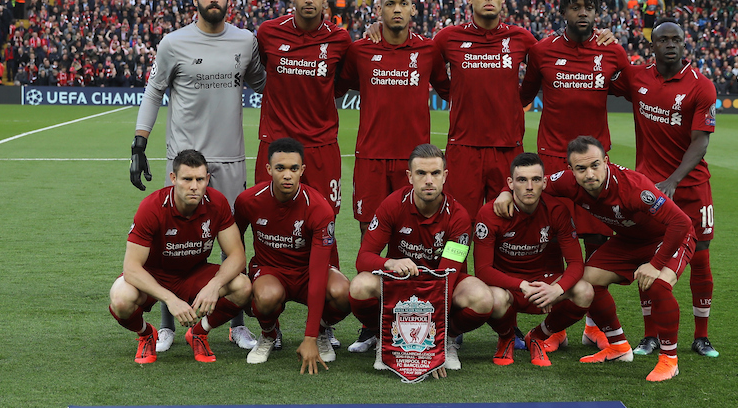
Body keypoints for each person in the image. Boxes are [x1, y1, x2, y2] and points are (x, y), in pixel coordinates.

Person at [130, 0, 266, 354]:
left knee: (231, 243)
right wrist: (140, 142)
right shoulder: (173, 43)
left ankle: (235, 325)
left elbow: (266, 83)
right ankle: (169, 322)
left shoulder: (245, 41)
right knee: (173, 243)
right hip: (185, 159)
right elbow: (154, 91)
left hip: (230, 157)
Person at [494, 136, 694, 381]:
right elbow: (535, 184)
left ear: (606, 162)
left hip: (670, 236)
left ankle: (669, 360)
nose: (589, 174)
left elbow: (681, 222)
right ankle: (619, 346)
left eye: (595, 165)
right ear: (571, 170)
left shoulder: (634, 187)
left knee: (659, 284)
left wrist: (655, 264)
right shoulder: (568, 182)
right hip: (630, 240)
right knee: (587, 281)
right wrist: (506, 192)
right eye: (581, 168)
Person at [335, 0, 451, 354]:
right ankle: (372, 326)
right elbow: (336, 85)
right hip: (370, 159)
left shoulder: (429, 49)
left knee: (419, 235)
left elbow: (450, 88)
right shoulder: (360, 50)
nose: (397, 9)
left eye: (404, 3)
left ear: (414, 9)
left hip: (415, 164)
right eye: (390, 4)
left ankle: (427, 315)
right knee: (374, 238)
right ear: (378, 10)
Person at [519, 0, 631, 356]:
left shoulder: (611, 51)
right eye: (576, 7)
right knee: (553, 245)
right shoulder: (541, 51)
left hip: (596, 165)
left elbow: (637, 91)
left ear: (597, 13)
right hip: (553, 159)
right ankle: (556, 327)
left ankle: (594, 326)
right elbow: (522, 96)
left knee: (597, 246)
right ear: (563, 11)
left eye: (590, 7)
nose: (583, 13)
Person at [611, 19, 719, 359]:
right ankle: (650, 336)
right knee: (649, 258)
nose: (670, 44)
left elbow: (700, 143)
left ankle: (701, 336)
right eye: (663, 40)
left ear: (684, 44)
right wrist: (609, 44)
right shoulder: (638, 77)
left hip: (691, 188)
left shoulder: (701, 86)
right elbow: (600, 78)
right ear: (653, 45)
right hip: (648, 190)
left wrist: (673, 180)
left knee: (700, 255)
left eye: (676, 40)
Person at [347, 144, 493, 371]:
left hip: (441, 285)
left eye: (435, 173)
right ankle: (384, 336)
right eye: (421, 173)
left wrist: (433, 345)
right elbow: (363, 258)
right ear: (409, 177)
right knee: (360, 286)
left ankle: (448, 339)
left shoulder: (459, 217)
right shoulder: (392, 205)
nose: (428, 180)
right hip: (400, 283)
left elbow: (448, 277)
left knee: (483, 298)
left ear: (445, 176)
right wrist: (390, 263)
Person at [108, 150, 252, 365]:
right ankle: (146, 334)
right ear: (173, 178)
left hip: (193, 273)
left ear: (207, 180)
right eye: (187, 179)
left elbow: (237, 256)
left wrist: (215, 285)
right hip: (154, 274)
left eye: (200, 179)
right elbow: (131, 268)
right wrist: (170, 299)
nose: (194, 186)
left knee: (243, 286)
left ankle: (198, 333)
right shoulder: (152, 207)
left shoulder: (217, 203)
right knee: (121, 299)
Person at [233, 138, 351, 374]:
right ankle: (269, 334)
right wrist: (242, 282)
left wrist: (309, 336)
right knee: (265, 296)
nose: (287, 175)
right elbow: (233, 244)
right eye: (280, 168)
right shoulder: (248, 200)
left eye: (293, 169)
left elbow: (317, 274)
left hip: (308, 273)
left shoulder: (319, 208)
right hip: (270, 271)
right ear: (269, 169)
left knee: (344, 292)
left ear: (302, 171)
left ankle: (320, 331)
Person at [430, 0, 538, 220]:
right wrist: (456, 94)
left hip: (508, 148)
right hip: (463, 148)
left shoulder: (521, 38)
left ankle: (493, 263)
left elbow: (539, 73)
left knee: (507, 223)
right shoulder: (448, 38)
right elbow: (437, 78)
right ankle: (452, 262)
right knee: (458, 225)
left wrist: (517, 101)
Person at [474, 154, 593, 367]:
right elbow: (482, 270)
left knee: (585, 291)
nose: (529, 186)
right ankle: (506, 337)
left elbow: (576, 263)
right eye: (522, 180)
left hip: (542, 283)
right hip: (508, 286)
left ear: (544, 182)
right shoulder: (489, 213)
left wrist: (556, 289)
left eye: (536, 180)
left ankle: (537, 336)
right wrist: (520, 285)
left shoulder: (557, 210)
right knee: (494, 298)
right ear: (510, 183)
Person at [254, 0, 352, 215]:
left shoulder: (340, 39)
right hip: (275, 141)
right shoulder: (268, 32)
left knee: (324, 217)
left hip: (321, 145)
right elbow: (260, 71)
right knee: (269, 216)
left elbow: (339, 84)